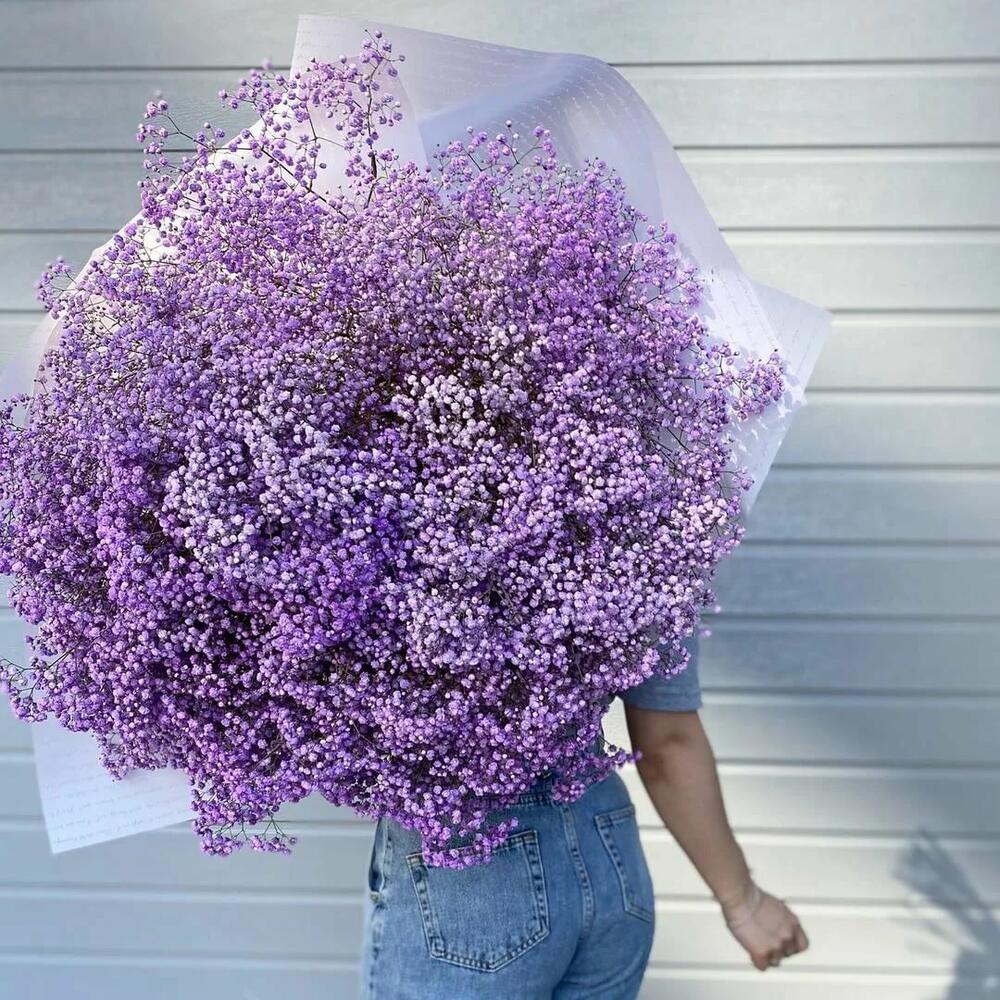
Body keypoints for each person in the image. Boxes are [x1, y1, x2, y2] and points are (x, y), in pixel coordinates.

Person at [359, 633, 809, 998]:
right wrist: (741, 900)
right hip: (605, 853)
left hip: (472, 875)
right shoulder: (652, 548)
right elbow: (669, 741)